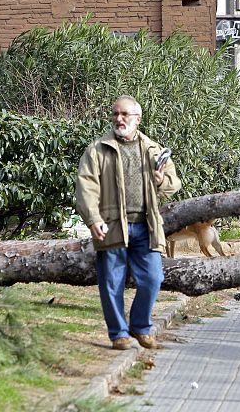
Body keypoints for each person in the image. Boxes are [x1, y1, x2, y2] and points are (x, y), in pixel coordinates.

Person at [75, 95, 181, 350]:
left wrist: (159, 182)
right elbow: (85, 186)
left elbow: (173, 183)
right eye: (115, 114)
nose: (119, 119)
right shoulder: (97, 149)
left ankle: (140, 325)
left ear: (138, 119)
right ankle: (119, 333)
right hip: (111, 225)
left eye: (124, 115)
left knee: (153, 278)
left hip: (146, 226)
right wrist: (93, 219)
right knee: (112, 283)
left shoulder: (153, 149)